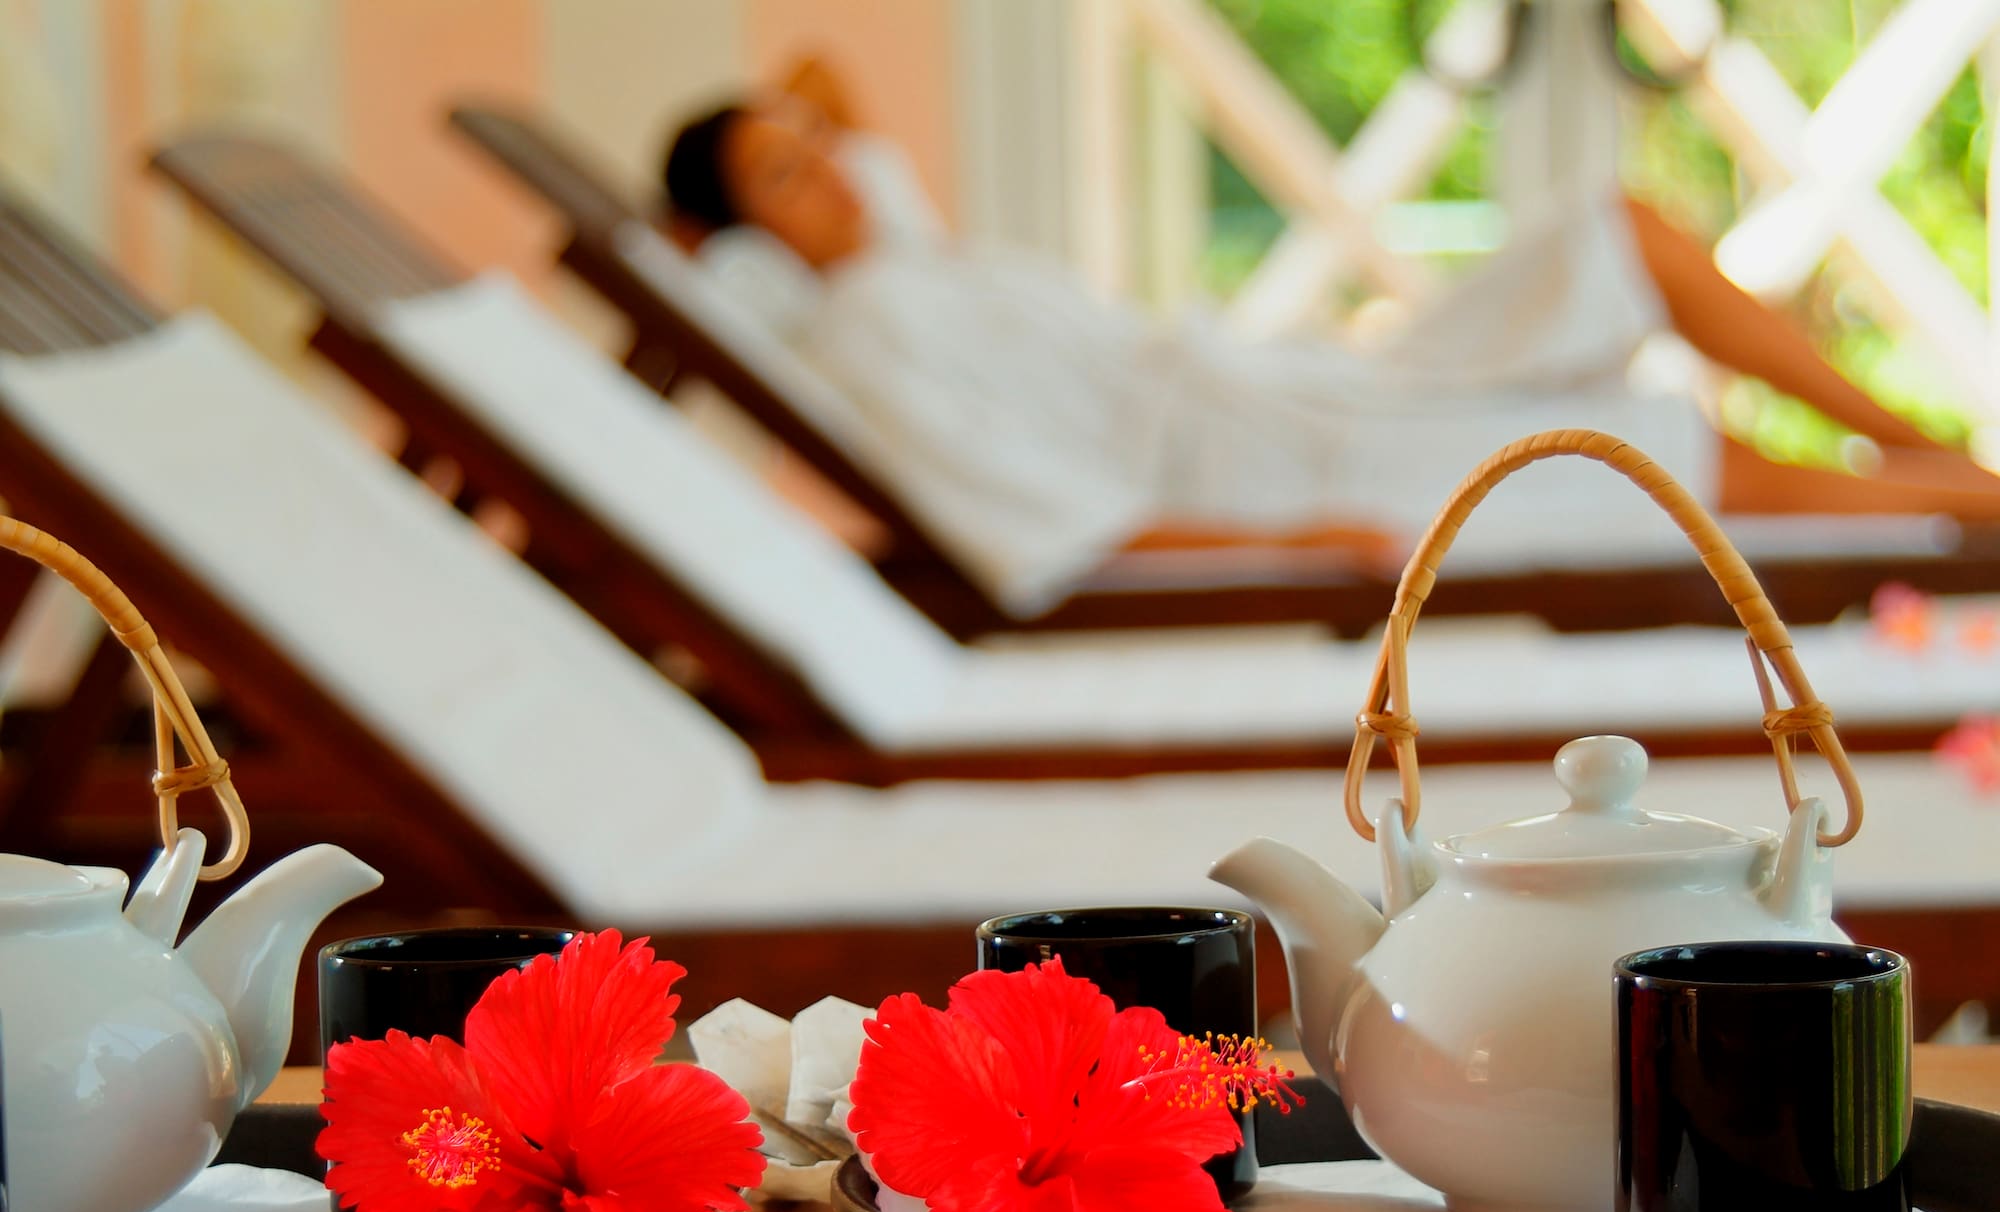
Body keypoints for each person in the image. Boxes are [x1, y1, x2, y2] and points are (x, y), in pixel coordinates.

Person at [658, 74, 2000, 609]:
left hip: (1308, 392)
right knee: (1688, 457)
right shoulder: (866, 341)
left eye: (818, 151)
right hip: (1285, 467)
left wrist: (808, 133)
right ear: (747, 249)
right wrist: (1296, 548)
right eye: (787, 179)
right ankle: (1966, 495)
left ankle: (1918, 444)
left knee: (1619, 229)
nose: (833, 174)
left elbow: (848, 124)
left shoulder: (915, 266)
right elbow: (1052, 530)